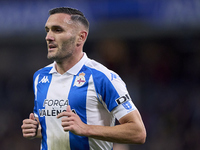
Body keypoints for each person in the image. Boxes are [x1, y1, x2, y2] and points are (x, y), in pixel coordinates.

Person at [21, 7, 146, 150]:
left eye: (57, 30)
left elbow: (138, 132)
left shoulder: (101, 77)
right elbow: (52, 127)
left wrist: (85, 129)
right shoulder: (40, 76)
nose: (48, 36)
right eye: (47, 30)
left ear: (80, 37)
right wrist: (36, 129)